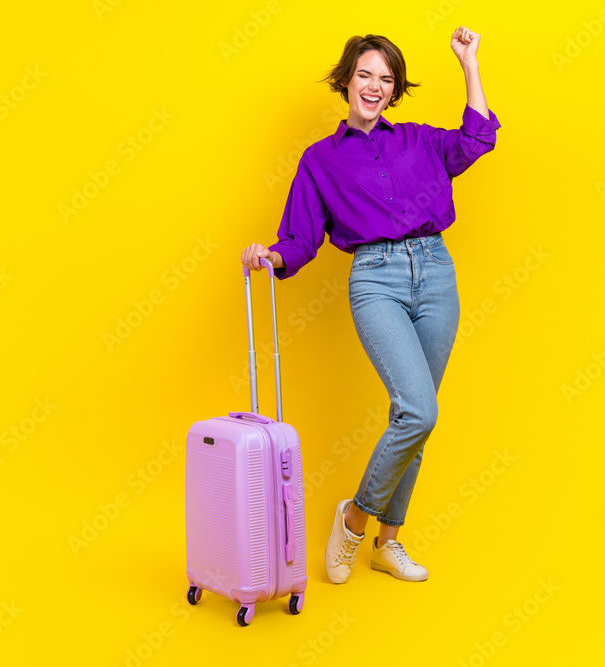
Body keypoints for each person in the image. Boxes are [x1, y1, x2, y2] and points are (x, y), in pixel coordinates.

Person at [240, 27, 500, 583]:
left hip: (435, 273)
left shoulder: (419, 140)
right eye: (365, 75)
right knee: (419, 411)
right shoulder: (320, 161)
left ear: (395, 89)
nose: (375, 87)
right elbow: (301, 240)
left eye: (386, 79)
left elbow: (477, 138)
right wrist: (269, 257)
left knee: (414, 420)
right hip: (375, 279)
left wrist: (469, 63)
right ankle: (354, 521)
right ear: (347, 80)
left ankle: (388, 542)